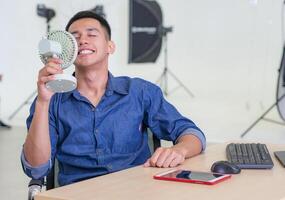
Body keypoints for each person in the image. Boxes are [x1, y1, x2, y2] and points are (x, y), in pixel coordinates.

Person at [21, 10, 206, 186]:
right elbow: (36, 169)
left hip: (137, 190)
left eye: (91, 34)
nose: (82, 40)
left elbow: (192, 134)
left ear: (110, 46)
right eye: (74, 38)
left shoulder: (140, 92)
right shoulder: (51, 101)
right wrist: (43, 101)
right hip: (78, 193)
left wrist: (179, 150)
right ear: (67, 51)